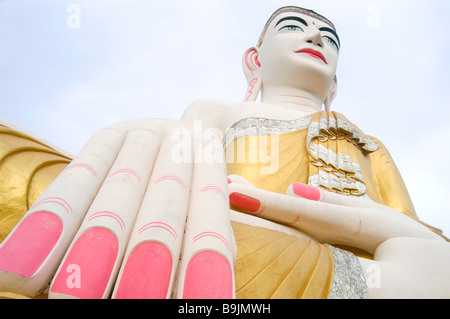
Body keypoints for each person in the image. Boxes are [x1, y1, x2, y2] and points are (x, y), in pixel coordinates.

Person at [0, 6, 449, 299]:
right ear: (254, 59)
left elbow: (416, 233)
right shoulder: (214, 111)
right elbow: (179, 194)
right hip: (224, 236)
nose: (315, 36)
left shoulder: (369, 145)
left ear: (334, 84)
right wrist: (157, 146)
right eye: (293, 26)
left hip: (345, 269)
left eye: (329, 37)